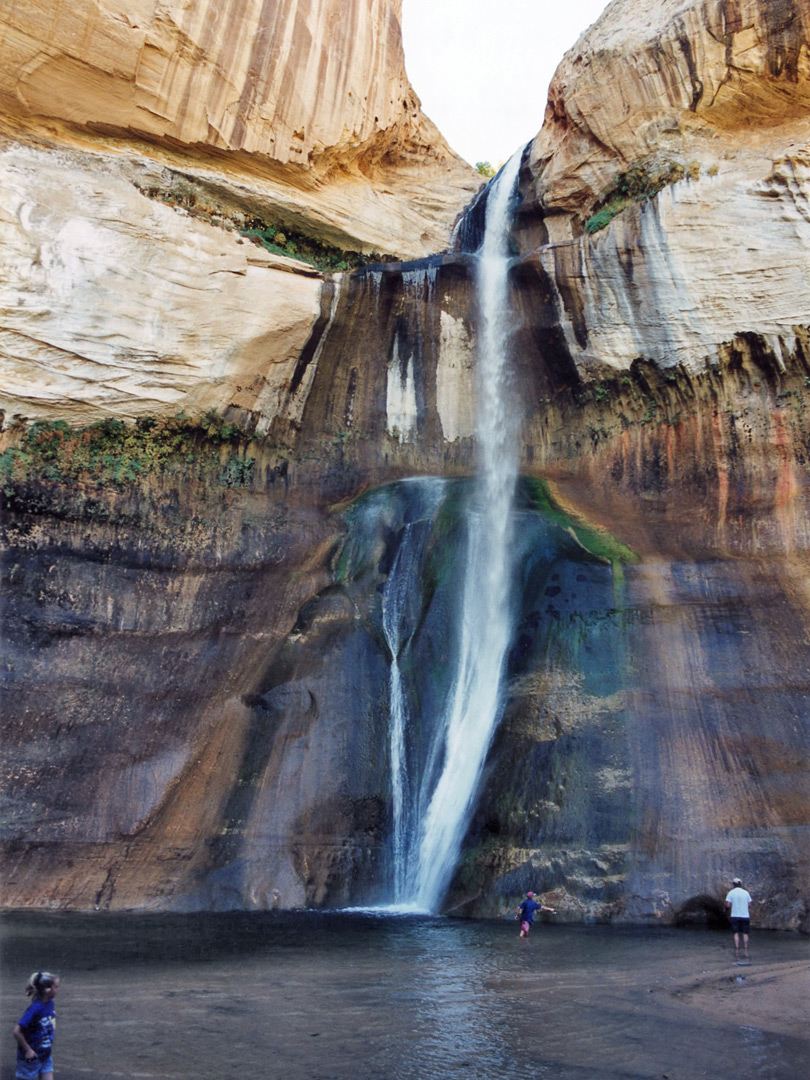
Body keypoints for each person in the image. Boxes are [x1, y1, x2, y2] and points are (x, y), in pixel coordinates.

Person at [13, 971, 59, 1080]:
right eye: (56, 987)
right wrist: (28, 1050)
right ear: (47, 989)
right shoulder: (34, 1009)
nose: (58, 989)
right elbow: (16, 1031)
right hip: (31, 1058)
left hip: (45, 1054)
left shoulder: (50, 1004)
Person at [725, 877, 753, 961]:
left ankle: (737, 949)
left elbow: (728, 905)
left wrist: (726, 910)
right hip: (745, 916)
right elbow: (749, 904)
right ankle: (746, 949)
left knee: (736, 933)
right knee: (745, 933)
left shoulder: (731, 893)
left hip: (735, 915)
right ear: (740, 884)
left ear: (733, 884)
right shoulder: (746, 893)